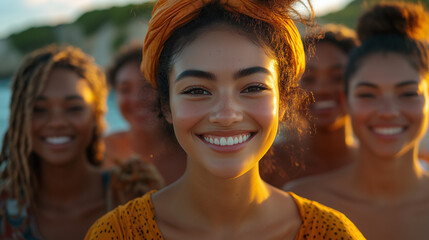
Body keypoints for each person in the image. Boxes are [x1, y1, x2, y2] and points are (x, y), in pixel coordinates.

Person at [85, 1, 365, 239]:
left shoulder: (332, 234)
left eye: (253, 87)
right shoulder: (116, 233)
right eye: (197, 90)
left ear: (283, 101)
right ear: (166, 106)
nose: (227, 114)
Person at [285, 2, 429, 239]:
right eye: (368, 94)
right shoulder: (302, 204)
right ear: (346, 100)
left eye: (408, 93)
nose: (388, 112)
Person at [0, 45, 162, 240]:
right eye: (39, 109)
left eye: (74, 108)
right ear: (19, 118)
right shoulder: (4, 208)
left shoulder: (134, 194)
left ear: (95, 115)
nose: (57, 123)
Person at [261, 24, 359, 187]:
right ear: (289, 88)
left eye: (337, 77)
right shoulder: (266, 164)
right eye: (309, 78)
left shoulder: (376, 163)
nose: (322, 90)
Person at [103, 44, 187, 185]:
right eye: (125, 89)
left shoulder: (190, 153)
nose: (136, 99)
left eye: (147, 86)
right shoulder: (102, 150)